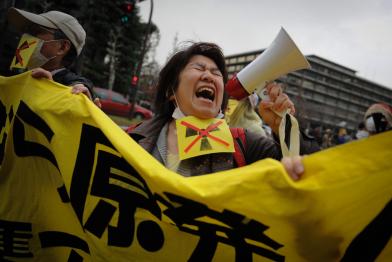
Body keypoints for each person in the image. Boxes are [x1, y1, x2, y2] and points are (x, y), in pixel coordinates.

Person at [127, 42, 318, 180]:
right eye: (199, 68)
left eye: (216, 73)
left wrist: (283, 128)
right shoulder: (131, 137)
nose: (209, 76)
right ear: (170, 91)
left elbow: (313, 167)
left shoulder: (244, 144)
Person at [7, 7, 98, 103]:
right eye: (27, 31)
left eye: (36, 31)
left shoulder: (68, 86)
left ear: (62, 47)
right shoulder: (15, 70)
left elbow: (80, 85)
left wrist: (62, 90)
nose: (26, 37)